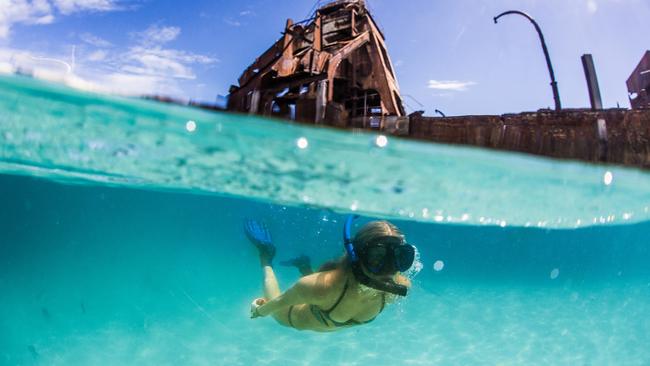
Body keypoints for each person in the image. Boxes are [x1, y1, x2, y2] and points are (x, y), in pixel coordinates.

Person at [245, 215, 416, 332]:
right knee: (277, 315)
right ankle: (266, 256)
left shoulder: (400, 286)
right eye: (377, 257)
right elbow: (279, 302)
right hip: (290, 317)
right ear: (356, 255)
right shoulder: (319, 286)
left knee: (319, 294)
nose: (389, 269)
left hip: (322, 300)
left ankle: (303, 265)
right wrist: (260, 311)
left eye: (399, 257)